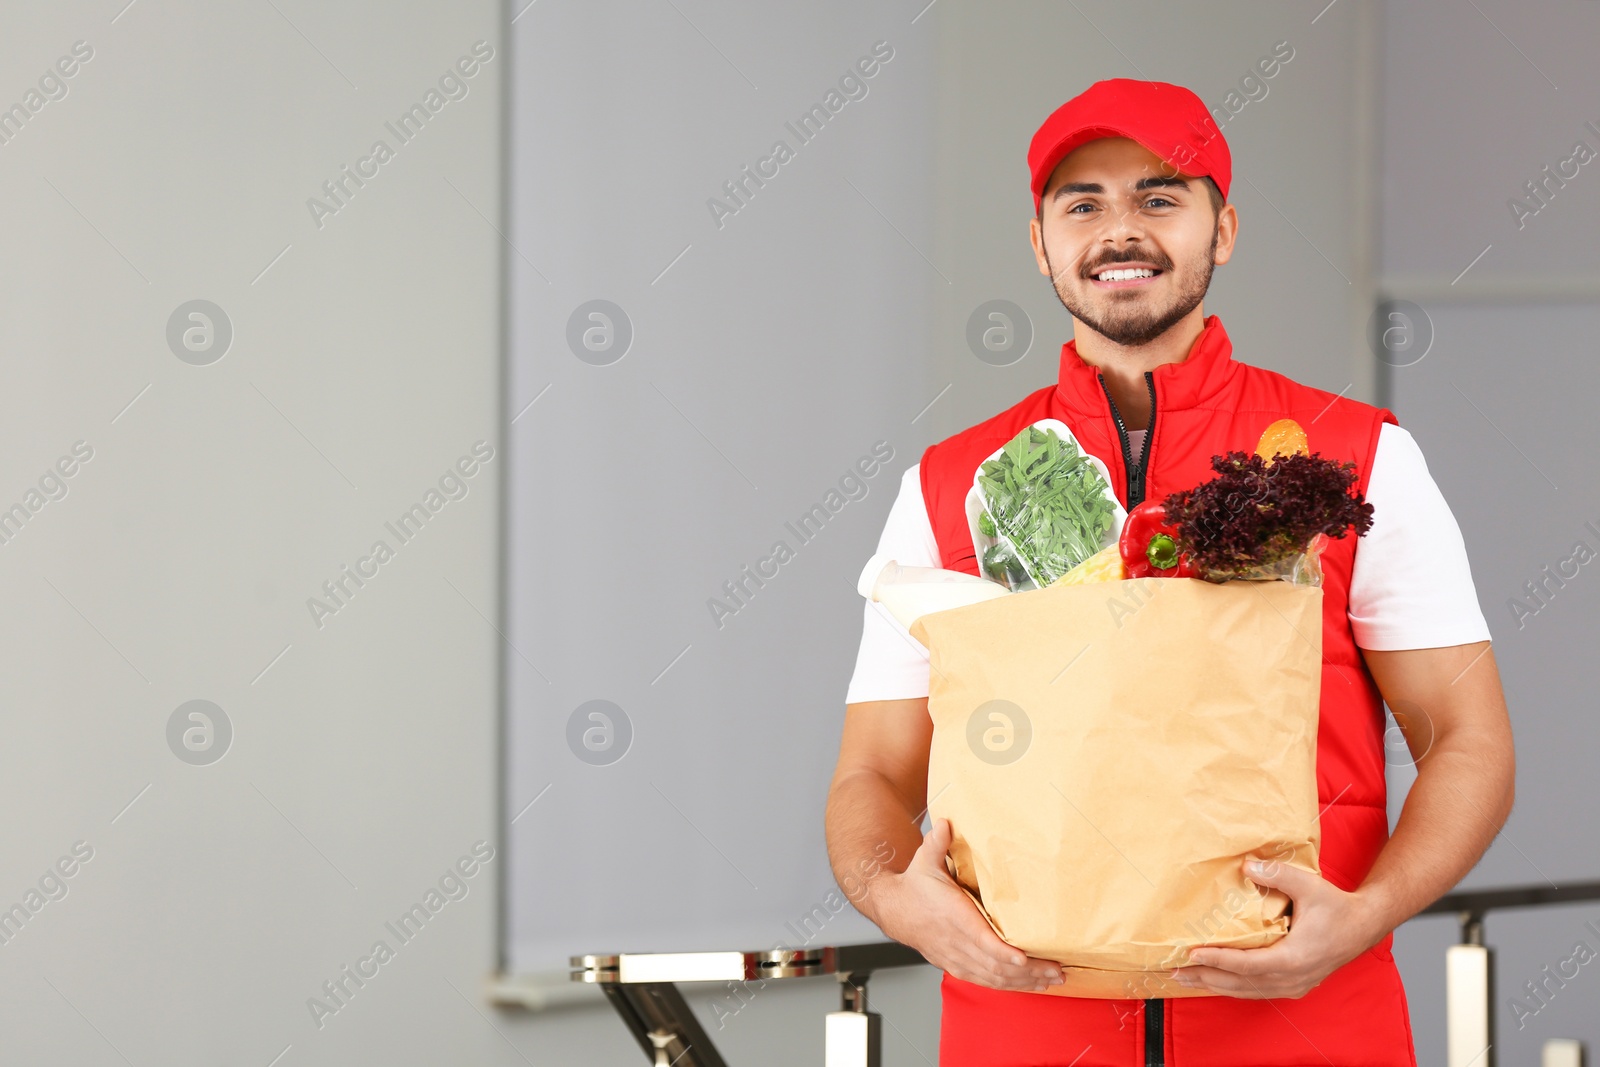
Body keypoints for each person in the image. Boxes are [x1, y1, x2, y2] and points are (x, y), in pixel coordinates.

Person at [823, 78, 1515, 1067]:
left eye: (1159, 197)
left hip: (1306, 1025)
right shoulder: (948, 486)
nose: (1120, 231)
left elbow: (1467, 736)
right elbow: (871, 774)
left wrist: (1366, 915)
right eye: (1082, 203)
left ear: (1221, 229)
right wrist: (897, 894)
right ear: (1039, 243)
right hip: (1027, 1027)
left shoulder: (1353, 458)